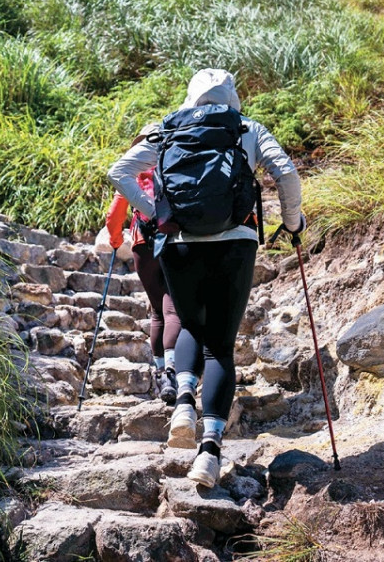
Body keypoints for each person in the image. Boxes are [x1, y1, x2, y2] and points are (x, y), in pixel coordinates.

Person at [107, 69, 304, 488]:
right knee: (220, 347)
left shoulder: (168, 129)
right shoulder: (246, 127)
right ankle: (210, 454)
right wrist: (293, 221)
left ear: (190, 97)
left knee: (191, 324)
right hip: (235, 242)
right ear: (231, 96)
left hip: (178, 242)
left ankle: (182, 404)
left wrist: (157, 212)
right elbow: (285, 173)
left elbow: (118, 172)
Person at [105, 123, 182, 405]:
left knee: (157, 311)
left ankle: (162, 372)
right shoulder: (178, 163)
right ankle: (174, 369)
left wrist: (115, 240)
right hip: (173, 236)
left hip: (142, 240)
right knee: (172, 304)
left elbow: (115, 215)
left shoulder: (135, 170)